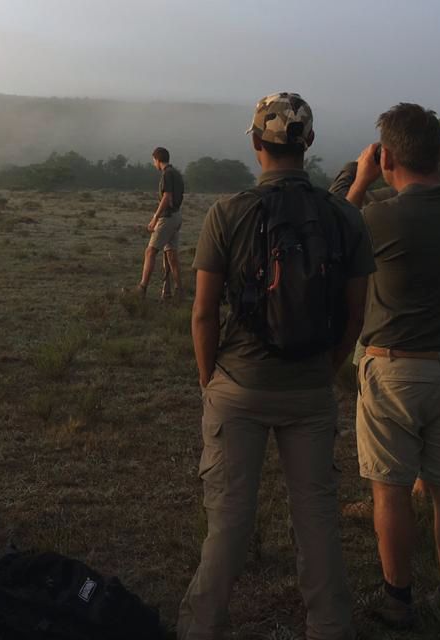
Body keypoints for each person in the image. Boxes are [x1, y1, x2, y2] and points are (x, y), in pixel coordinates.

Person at [179, 92, 374, 640]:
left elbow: (202, 314)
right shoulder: (344, 217)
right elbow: (355, 316)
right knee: (316, 517)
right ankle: (330, 626)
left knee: (230, 519)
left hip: (237, 387)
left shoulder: (228, 212)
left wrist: (209, 380)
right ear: (308, 143)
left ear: (256, 143)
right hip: (310, 390)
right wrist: (325, 367)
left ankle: (202, 626)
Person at [342, 104, 440, 627]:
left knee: (391, 490)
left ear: (386, 157)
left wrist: (361, 179)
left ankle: (397, 600)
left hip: (396, 371)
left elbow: (339, 233)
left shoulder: (379, 217)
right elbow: (435, 192)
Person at [126, 147, 186, 300]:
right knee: (171, 255)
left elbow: (167, 198)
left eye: (154, 161)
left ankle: (142, 288)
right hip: (177, 216)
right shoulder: (176, 173)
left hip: (168, 218)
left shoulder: (166, 174)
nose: (154, 164)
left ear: (158, 160)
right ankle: (178, 292)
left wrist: (155, 218)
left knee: (150, 251)